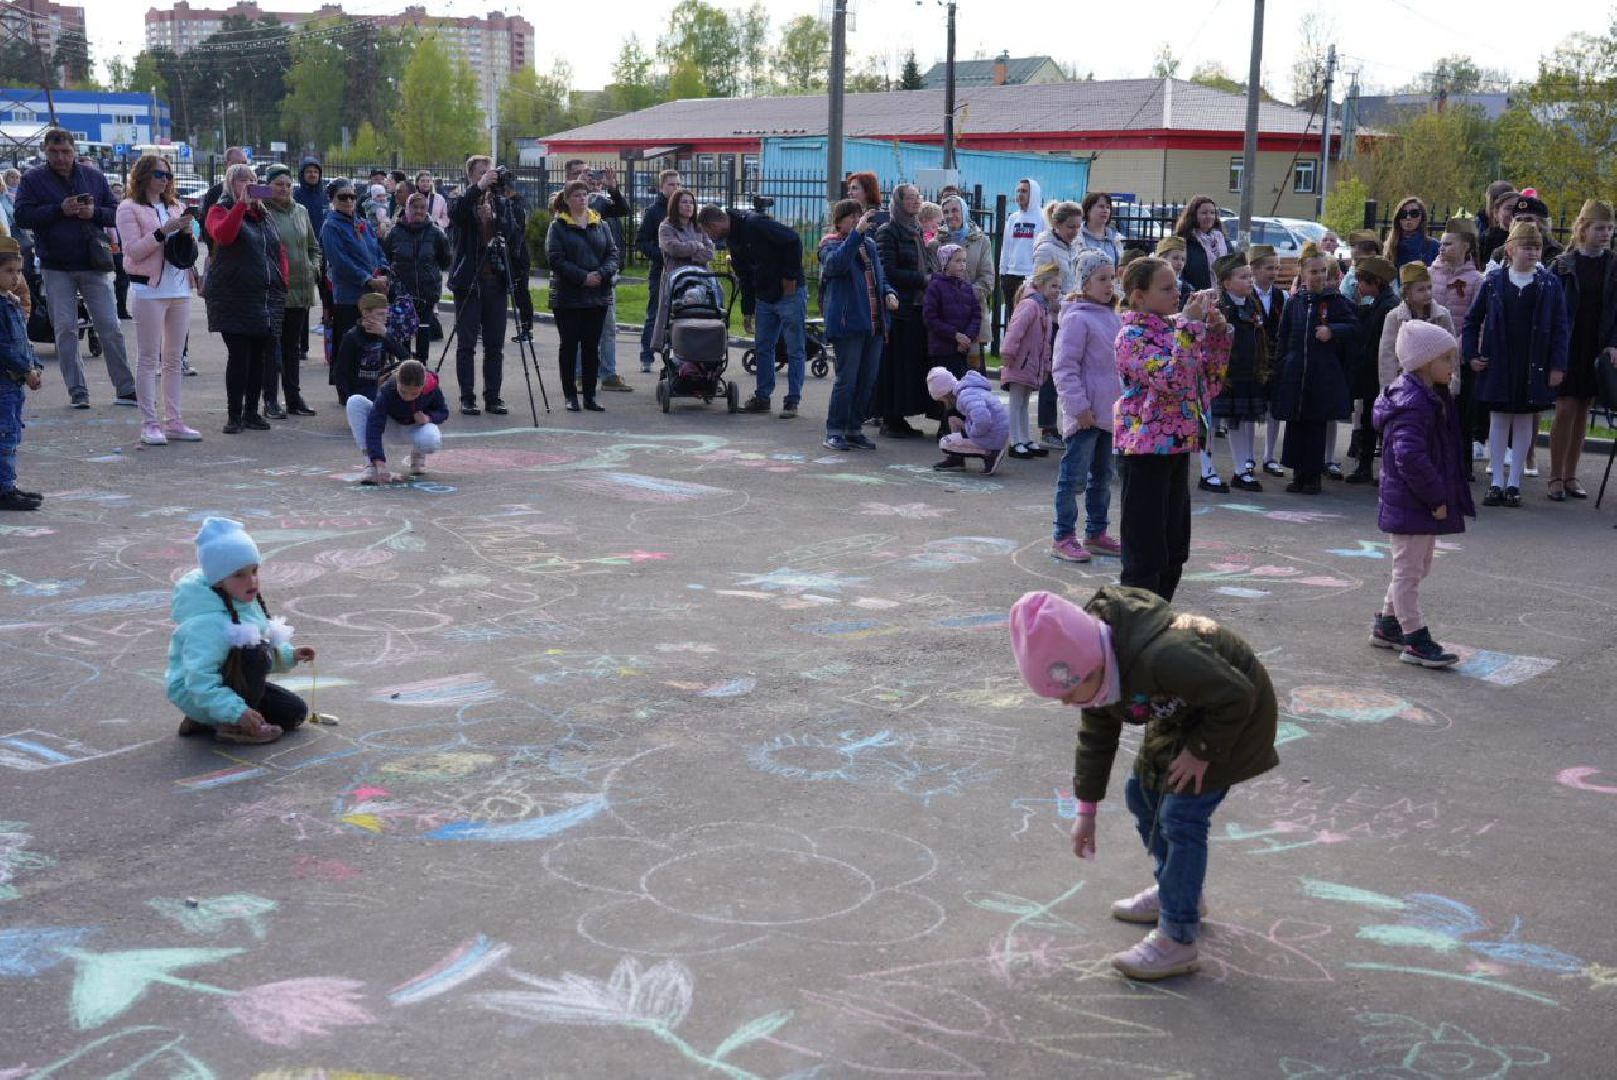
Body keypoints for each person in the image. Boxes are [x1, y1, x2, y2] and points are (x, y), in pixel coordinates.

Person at [1008, 587, 1279, 981]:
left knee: (1181, 816)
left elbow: (1237, 695)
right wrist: (1086, 812)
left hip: (1232, 726)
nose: (1068, 704)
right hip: (1181, 716)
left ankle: (1178, 938)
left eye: (1068, 693)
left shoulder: (1164, 655)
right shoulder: (1098, 676)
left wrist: (1201, 752)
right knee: (1141, 793)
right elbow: (1096, 741)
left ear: (1091, 666)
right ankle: (1178, 891)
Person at [1114, 259, 1232, 600]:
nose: (1177, 293)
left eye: (1176, 285)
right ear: (1139, 296)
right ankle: (1135, 625)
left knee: (1174, 547)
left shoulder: (1175, 329)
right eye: (1165, 288)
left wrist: (1218, 336)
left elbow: (1206, 382)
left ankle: (1159, 616)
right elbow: (1172, 379)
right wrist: (1191, 329)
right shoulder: (1131, 337)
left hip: (1178, 445)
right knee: (1144, 552)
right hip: (1145, 451)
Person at [1370, 320, 1474, 668]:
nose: (1453, 365)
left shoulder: (1428, 395)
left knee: (1417, 566)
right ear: (1425, 363)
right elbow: (1409, 458)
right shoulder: (1413, 403)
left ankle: (1387, 624)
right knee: (1409, 572)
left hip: (1416, 501)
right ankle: (1415, 638)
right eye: (1447, 359)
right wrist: (1437, 497)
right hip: (1413, 501)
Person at [12, 127, 137, 408]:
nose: (60, 158)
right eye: (54, 152)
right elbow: (22, 216)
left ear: (74, 151)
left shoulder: (92, 176)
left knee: (110, 325)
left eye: (66, 152)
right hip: (56, 266)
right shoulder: (33, 180)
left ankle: (126, 388)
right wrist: (59, 209)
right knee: (65, 330)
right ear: (45, 151)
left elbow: (116, 212)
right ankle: (77, 390)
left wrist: (94, 214)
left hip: (94, 263)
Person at [165, 517, 316, 746]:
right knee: (253, 653)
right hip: (196, 692)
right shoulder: (207, 623)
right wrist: (238, 713)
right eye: (239, 575)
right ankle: (229, 723)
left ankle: (209, 719)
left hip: (226, 687)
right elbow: (199, 680)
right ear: (218, 581)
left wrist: (289, 655)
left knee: (293, 713)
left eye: (254, 571)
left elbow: (260, 652)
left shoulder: (242, 603)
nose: (251, 580)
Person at [1463, 221, 1569, 508]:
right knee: (1498, 419)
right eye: (1526, 247)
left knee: (1524, 420)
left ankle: (1514, 484)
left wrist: (1558, 365)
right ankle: (1497, 480)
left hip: (1533, 362)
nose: (1532, 252)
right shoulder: (1494, 282)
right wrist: (1471, 354)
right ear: (1510, 249)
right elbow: (1472, 321)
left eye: (1536, 248)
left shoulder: (1549, 284)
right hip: (1499, 359)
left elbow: (1561, 327)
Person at [115, 154, 202, 446]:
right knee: (149, 358)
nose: (165, 180)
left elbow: (186, 251)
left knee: (175, 359)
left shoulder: (175, 205)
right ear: (142, 176)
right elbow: (133, 252)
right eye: (158, 174)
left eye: (167, 175)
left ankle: (174, 421)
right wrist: (163, 231)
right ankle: (149, 423)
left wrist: (186, 232)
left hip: (179, 289)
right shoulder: (129, 208)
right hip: (149, 291)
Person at [698, 202, 806, 418]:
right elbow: (744, 276)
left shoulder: (755, 224)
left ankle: (792, 400)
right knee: (763, 347)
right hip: (764, 296)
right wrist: (747, 310)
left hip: (788, 292)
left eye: (708, 231)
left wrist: (790, 276)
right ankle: (762, 397)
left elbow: (792, 240)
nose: (710, 238)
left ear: (715, 223)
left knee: (795, 348)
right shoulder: (733, 239)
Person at [1050, 252, 1123, 562]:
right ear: (1085, 282)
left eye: (1111, 277)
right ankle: (1063, 536)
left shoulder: (1112, 315)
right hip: (1085, 416)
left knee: (1103, 476)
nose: (1109, 284)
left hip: (1109, 414)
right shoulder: (1077, 318)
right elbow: (1064, 368)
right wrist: (1078, 408)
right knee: (1073, 478)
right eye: (1101, 279)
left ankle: (1096, 532)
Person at [205, 164, 288, 435]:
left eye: (252, 179)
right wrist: (240, 205)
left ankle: (252, 412)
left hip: (264, 296)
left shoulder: (264, 215)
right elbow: (224, 236)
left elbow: (278, 250)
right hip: (234, 295)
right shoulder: (220, 209)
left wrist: (282, 281)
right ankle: (234, 414)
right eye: (242, 180)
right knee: (240, 355)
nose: (249, 183)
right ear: (231, 184)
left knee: (259, 358)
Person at [1273, 244, 1357, 494]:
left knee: (1315, 426)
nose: (1319, 276)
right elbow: (1284, 337)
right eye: (1314, 272)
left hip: (1322, 375)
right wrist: (1281, 368)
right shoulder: (1294, 303)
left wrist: (1332, 331)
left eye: (1324, 271)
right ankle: (1298, 474)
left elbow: (1354, 327)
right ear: (1303, 272)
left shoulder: (1336, 302)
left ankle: (1313, 476)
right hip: (1296, 372)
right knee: (1296, 424)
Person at [1547, 200, 1617, 502]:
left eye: (1610, 229)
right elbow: (1549, 308)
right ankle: (1555, 476)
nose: (1606, 234)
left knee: (1583, 411)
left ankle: (1572, 475)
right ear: (1583, 229)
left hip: (1598, 344)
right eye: (1600, 228)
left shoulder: (1614, 265)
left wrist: (1614, 343)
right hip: (1568, 343)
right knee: (1564, 409)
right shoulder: (1563, 264)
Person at [819, 198, 898, 452]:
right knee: (847, 379)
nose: (857, 220)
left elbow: (880, 276)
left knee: (867, 380)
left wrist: (888, 292)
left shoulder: (870, 244)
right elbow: (836, 266)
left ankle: (854, 428)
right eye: (850, 217)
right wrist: (855, 235)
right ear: (839, 222)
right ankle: (835, 430)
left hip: (873, 323)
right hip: (848, 323)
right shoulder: (830, 244)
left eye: (859, 215)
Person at [446, 155, 520, 416]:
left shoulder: (499, 200)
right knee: (466, 343)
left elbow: (512, 233)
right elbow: (455, 215)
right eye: (482, 172)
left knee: (494, 345)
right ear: (471, 175)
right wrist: (478, 190)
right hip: (469, 281)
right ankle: (467, 397)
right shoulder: (462, 198)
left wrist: (495, 217)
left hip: (495, 281)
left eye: (490, 171)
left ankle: (493, 397)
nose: (489, 175)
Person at [547, 180, 619, 413]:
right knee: (569, 346)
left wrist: (601, 273)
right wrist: (582, 277)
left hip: (597, 296)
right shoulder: (558, 226)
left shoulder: (601, 224)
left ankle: (589, 395)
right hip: (568, 296)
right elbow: (556, 259)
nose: (581, 199)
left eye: (584, 195)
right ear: (567, 200)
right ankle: (571, 395)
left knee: (591, 347)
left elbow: (613, 254)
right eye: (576, 196)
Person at [1201, 252, 1270, 493]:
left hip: (1245, 372)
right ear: (1226, 283)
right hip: (1221, 375)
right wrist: (1217, 372)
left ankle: (1242, 469)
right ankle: (1207, 470)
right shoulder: (1218, 308)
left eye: (1250, 276)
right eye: (1243, 277)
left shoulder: (1253, 304)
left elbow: (1260, 337)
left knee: (1240, 422)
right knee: (1210, 423)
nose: (1249, 281)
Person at [872, 184, 936, 437]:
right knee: (895, 364)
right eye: (909, 198)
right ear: (898, 202)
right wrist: (922, 280)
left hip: (917, 306)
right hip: (899, 308)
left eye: (917, 197)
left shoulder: (916, 229)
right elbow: (887, 271)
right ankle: (891, 417)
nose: (915, 202)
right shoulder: (888, 231)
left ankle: (901, 416)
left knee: (910, 364)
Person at [320, 178, 390, 401]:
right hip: (350, 295)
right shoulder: (331, 226)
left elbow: (377, 250)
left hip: (372, 293)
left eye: (352, 196)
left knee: (370, 342)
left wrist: (384, 271)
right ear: (333, 200)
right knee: (348, 345)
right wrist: (368, 279)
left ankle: (368, 385)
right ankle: (346, 390)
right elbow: (340, 261)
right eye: (343, 197)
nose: (349, 201)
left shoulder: (362, 222)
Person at [261, 164, 322, 419]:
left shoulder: (301, 211)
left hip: (300, 290)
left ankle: (294, 398)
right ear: (268, 187)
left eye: (287, 185)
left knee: (292, 348)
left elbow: (313, 247)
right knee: (271, 348)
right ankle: (271, 400)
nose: (284, 189)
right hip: (275, 292)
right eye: (278, 184)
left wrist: (313, 268)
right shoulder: (262, 213)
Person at [567, 161, 632, 391]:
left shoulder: (601, 202)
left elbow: (623, 210)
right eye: (584, 174)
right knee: (579, 328)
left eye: (592, 174)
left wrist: (612, 188)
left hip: (605, 274)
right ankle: (579, 375)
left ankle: (609, 374)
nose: (591, 178)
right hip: (579, 276)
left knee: (608, 327)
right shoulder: (564, 201)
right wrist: (582, 190)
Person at [1431, 219, 1487, 472]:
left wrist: (1459, 347)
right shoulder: (1431, 274)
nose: (1442, 248)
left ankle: (1462, 464)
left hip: (1459, 355)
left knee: (1461, 411)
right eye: (1441, 244)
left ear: (1465, 246)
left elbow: (1479, 320)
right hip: (1431, 354)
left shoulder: (1476, 280)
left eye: (1449, 244)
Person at [347, 359, 447, 485]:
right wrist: (379, 462)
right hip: (391, 427)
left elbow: (443, 411)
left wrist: (428, 417)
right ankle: (371, 465)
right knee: (355, 401)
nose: (408, 397)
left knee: (431, 440)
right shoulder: (388, 389)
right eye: (403, 391)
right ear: (397, 382)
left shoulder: (432, 387)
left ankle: (418, 452)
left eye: (414, 393)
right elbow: (374, 425)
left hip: (415, 429)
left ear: (423, 386)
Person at [1344, 256, 1399, 484]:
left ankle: (1381, 468)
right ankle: (1365, 466)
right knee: (1369, 420)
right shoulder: (1379, 303)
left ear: (1376, 282)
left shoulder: (1388, 306)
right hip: (1372, 373)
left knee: (1379, 422)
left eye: (1362, 282)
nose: (1358, 286)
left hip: (1380, 372)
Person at [383, 192, 452, 365]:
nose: (419, 211)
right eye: (415, 207)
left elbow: (445, 260)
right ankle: (404, 366)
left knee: (423, 331)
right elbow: (384, 259)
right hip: (402, 293)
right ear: (407, 209)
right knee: (403, 333)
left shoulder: (436, 233)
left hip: (426, 291)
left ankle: (422, 366)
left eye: (422, 207)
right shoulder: (394, 233)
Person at [0, 239, 44, 511]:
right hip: (4, 381)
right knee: (4, 436)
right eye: (8, 271)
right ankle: (4, 489)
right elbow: (4, 347)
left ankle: (8, 485)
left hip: (14, 382)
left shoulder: (11, 301)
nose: (15, 277)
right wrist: (25, 369)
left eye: (18, 271)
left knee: (11, 433)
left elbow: (23, 341)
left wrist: (35, 364)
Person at [1002, 262, 1061, 459]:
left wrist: (1045, 365)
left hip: (1030, 365)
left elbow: (1045, 344)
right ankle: (1015, 440)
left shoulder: (1043, 308)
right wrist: (1008, 354)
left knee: (1024, 403)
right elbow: (1014, 331)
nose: (1057, 291)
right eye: (1054, 286)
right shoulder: (1029, 305)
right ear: (1041, 285)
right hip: (1020, 362)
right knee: (1017, 402)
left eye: (1059, 287)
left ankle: (1025, 439)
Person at [1377, 262, 1456, 394]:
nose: (1427, 293)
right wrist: (1390, 390)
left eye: (1429, 288)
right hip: (1406, 385)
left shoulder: (1442, 315)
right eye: (1421, 289)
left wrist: (1453, 383)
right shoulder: (1394, 318)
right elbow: (1387, 357)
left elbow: (1452, 351)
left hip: (1438, 383)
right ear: (1407, 292)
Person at [653, 187, 714, 350]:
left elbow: (710, 252)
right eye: (684, 202)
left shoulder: (698, 227)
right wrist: (695, 246)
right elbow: (673, 249)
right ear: (675, 205)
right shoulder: (666, 227)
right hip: (676, 278)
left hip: (700, 277)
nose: (689, 206)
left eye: (691, 202)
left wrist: (689, 253)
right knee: (674, 316)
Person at [938, 194, 993, 371]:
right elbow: (934, 277)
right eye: (945, 211)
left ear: (964, 211)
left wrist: (964, 295)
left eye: (955, 210)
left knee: (974, 377)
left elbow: (987, 278)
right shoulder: (936, 242)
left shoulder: (981, 241)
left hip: (973, 317)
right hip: (946, 321)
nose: (950, 215)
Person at [635, 169, 682, 373]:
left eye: (678, 184)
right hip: (661, 270)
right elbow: (642, 241)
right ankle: (647, 354)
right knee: (655, 313)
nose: (675, 188)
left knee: (681, 312)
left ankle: (679, 354)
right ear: (662, 187)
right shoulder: (654, 212)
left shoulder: (685, 208)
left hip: (683, 270)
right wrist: (662, 255)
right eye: (671, 184)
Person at [922, 243, 981, 399]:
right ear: (945, 263)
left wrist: (967, 337)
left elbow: (976, 314)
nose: (962, 265)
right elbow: (930, 318)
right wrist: (955, 335)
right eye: (957, 261)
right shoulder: (935, 286)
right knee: (946, 393)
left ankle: (956, 421)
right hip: (942, 349)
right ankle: (946, 422)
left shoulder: (967, 287)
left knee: (961, 390)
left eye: (964, 261)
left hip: (962, 348)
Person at [1250, 245, 1288, 478]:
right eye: (1268, 268)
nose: (1273, 273)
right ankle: (1249, 457)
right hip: (1254, 359)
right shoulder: (1248, 295)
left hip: (1274, 359)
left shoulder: (1281, 296)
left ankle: (1269, 456)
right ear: (1254, 269)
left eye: (1276, 268)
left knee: (1274, 409)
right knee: (1253, 409)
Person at [925, 366, 1008, 473]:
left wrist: (973, 433)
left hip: (994, 436)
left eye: (943, 400)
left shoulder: (965, 396)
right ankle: (957, 458)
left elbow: (983, 419)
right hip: (997, 432)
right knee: (953, 418)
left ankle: (990, 453)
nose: (944, 404)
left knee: (946, 443)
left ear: (946, 393)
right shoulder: (968, 390)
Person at [332, 292, 409, 405]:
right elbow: (341, 371)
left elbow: (406, 358)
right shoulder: (352, 337)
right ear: (366, 313)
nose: (385, 318)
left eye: (386, 314)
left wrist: (386, 335)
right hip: (360, 390)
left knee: (411, 368)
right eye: (380, 314)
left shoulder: (382, 334)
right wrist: (347, 398)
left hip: (377, 383)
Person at [999, 177, 1042, 326]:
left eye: (1024, 191)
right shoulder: (1013, 218)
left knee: (1031, 320)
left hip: (1032, 275)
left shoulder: (1042, 218)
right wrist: (1003, 273)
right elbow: (1006, 246)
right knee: (1013, 320)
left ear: (1034, 194)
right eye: (1018, 191)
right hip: (1011, 275)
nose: (1020, 194)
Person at [197, 146, 249, 249]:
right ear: (227, 165)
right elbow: (206, 225)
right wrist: (212, 251)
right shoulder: (215, 192)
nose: (241, 167)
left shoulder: (252, 191)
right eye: (237, 163)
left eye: (244, 163)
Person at [1174, 196, 1226, 291]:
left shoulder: (1223, 239)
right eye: (1204, 213)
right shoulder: (1185, 240)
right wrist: (1189, 289)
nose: (1209, 216)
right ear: (1193, 215)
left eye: (1212, 213)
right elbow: (1176, 271)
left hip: (1220, 297)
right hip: (1194, 296)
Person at [1383, 196, 1439, 268]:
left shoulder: (1433, 246)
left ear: (1422, 217)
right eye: (1403, 214)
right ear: (1398, 219)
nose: (1408, 218)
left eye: (1414, 213)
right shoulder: (1388, 246)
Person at [1074, 192, 1126, 267]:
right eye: (1101, 206)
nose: (1105, 210)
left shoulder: (1116, 239)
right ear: (1088, 210)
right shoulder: (1076, 236)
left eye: (1108, 207)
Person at [1154, 236, 1194, 310]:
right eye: (1175, 258)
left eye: (1183, 259)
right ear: (1161, 259)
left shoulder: (1186, 289)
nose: (1180, 263)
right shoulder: (1151, 283)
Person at [292, 156, 328, 235]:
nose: (313, 174)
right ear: (302, 174)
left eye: (316, 172)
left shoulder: (326, 196)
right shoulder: (295, 196)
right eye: (309, 172)